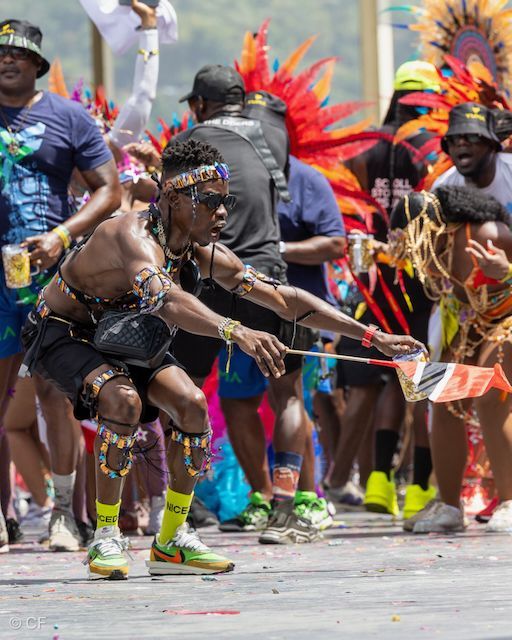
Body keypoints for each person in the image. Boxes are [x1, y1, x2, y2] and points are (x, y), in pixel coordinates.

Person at [21, 138, 423, 579]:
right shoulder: (129, 237)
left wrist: (373, 336)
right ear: (173, 198)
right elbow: (167, 300)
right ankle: (105, 537)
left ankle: (171, 541)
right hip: (64, 332)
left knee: (192, 406)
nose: (223, 212)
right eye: (210, 201)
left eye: (226, 200)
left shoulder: (199, 251)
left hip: (123, 336)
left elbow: (283, 298)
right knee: (123, 404)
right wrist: (236, 331)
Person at [171, 65, 326, 543]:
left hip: (207, 276)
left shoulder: (190, 141)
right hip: (266, 277)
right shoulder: (271, 133)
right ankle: (285, 504)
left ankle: (178, 518)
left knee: (185, 394)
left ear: (199, 105)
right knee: (287, 396)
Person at [0, 19, 121, 552]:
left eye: (18, 54)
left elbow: (110, 190)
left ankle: (66, 517)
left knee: (55, 393)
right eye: (0, 52)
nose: (7, 60)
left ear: (37, 65)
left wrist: (61, 236)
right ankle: (2, 516)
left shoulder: (68, 118)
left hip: (51, 280)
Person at [217, 92, 346, 535]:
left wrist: (274, 250)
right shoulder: (230, 179)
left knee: (289, 398)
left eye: (268, 129)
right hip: (237, 311)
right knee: (237, 403)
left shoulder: (308, 181)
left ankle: (304, 498)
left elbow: (335, 243)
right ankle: (262, 496)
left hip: (296, 312)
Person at [331, 61, 439, 517]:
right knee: (427, 378)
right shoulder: (436, 148)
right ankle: (419, 488)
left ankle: (377, 481)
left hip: (373, 279)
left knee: (390, 376)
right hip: (423, 280)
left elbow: (347, 208)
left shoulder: (365, 145)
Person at [388, 185, 512, 533]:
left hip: (507, 321)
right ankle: (449, 506)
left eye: (418, 238)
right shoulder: (434, 248)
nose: (415, 250)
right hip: (470, 323)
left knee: (492, 396)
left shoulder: (488, 235)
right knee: (441, 396)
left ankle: (509, 501)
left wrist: (507, 272)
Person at [433, 102, 512, 214]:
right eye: (454, 138)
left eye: (472, 137)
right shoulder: (443, 188)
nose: (461, 143)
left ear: (492, 146)